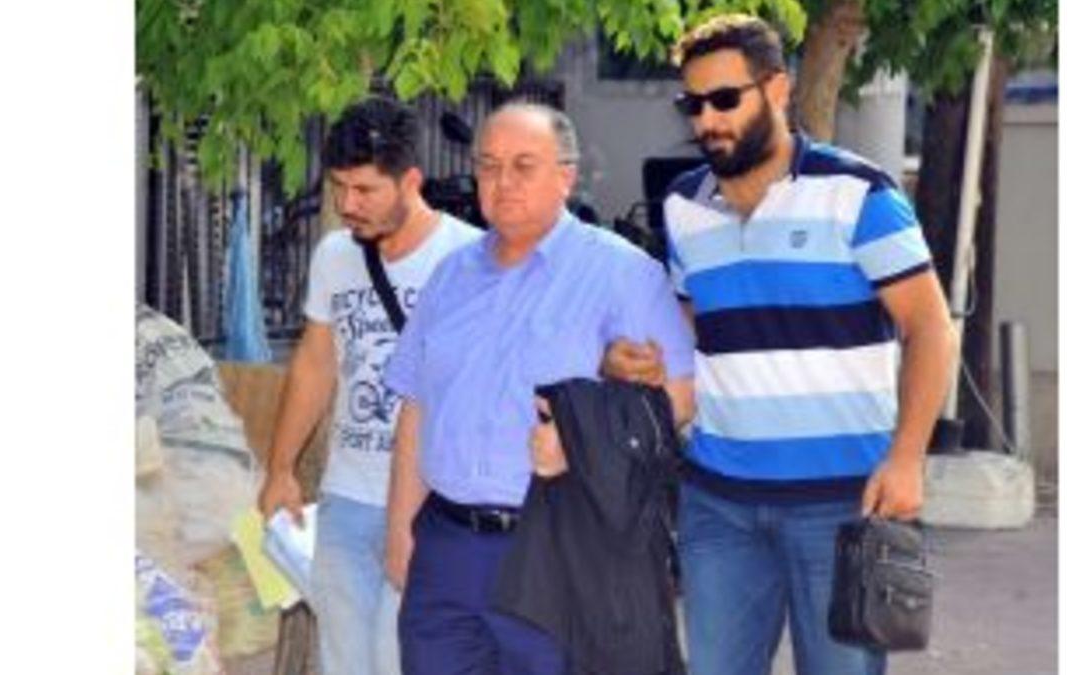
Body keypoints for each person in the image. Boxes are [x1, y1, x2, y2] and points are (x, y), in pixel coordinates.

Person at [602, 14, 958, 675]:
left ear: (777, 89)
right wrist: (637, 359)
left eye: (724, 99)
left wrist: (907, 459)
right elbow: (691, 330)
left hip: (843, 504)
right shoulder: (682, 206)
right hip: (717, 503)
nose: (707, 120)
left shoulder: (859, 194)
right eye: (692, 104)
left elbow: (930, 328)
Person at [382, 102, 696, 675]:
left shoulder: (622, 273)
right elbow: (418, 406)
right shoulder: (450, 276)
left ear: (566, 176)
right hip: (445, 548)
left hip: (558, 545)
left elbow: (677, 398)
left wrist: (580, 441)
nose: (502, 182)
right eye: (489, 166)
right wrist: (401, 530)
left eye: (523, 166)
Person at [256, 96, 481, 675]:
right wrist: (280, 469)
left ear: (411, 182)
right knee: (345, 663)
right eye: (338, 186)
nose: (346, 205)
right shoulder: (335, 255)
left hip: (433, 503)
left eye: (364, 190)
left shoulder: (468, 259)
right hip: (347, 497)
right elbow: (315, 363)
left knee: (400, 660)